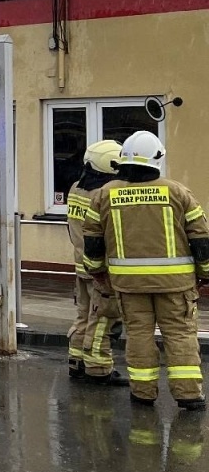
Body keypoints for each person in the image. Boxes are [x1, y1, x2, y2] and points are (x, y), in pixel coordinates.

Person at [80, 130, 209, 410]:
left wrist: (98, 272)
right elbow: (201, 239)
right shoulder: (178, 192)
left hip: (128, 285)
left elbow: (92, 241)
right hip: (176, 285)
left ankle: (143, 392)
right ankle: (188, 394)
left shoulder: (104, 194)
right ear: (157, 159)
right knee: (180, 335)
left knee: (139, 335)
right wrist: (205, 274)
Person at [66, 140, 124, 382]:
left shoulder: (75, 188)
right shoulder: (103, 195)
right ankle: (98, 369)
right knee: (103, 319)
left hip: (82, 265)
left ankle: (77, 361)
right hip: (102, 268)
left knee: (84, 316)